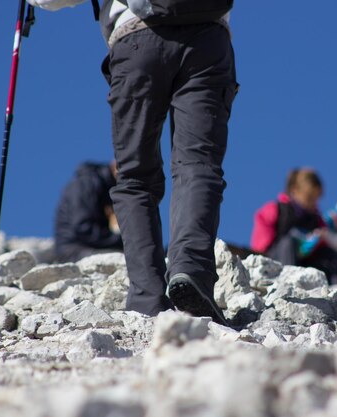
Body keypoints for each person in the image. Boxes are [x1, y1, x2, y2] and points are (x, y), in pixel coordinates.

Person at [97, 1, 238, 323]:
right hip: (207, 38)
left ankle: (147, 299)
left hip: (136, 40)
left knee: (136, 178)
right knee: (199, 164)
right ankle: (191, 272)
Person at [250, 168, 336, 278]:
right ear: (294, 190)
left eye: (316, 198)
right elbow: (260, 248)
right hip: (276, 263)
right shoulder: (275, 210)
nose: (313, 203)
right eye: (309, 197)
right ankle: (289, 282)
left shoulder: (317, 219)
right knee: (289, 242)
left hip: (305, 264)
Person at [54, 161, 123, 263]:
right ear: (116, 167)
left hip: (86, 247)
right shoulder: (86, 183)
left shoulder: (104, 187)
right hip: (74, 251)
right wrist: (122, 241)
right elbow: (83, 228)